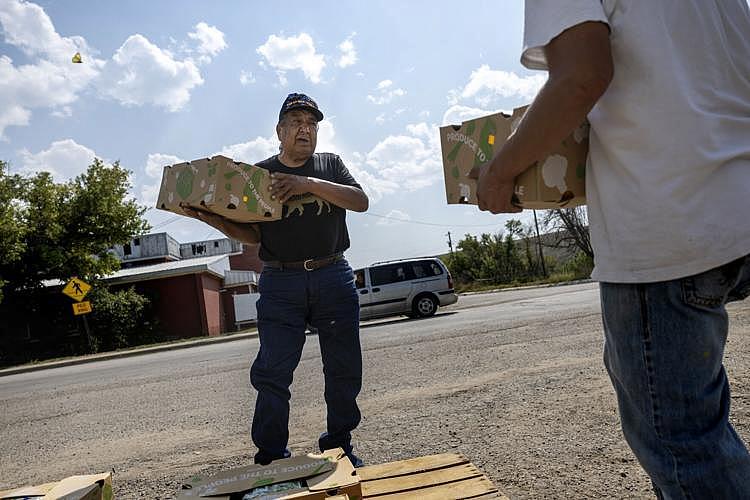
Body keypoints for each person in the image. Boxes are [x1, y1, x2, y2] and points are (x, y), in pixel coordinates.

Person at [475, 1, 750, 497]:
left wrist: (499, 170)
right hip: (737, 197)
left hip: (666, 223)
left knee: (687, 446)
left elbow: (580, 77)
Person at [183, 92, 368, 467]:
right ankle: (270, 456)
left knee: (344, 367)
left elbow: (360, 201)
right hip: (281, 283)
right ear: (280, 130)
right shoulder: (258, 175)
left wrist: (308, 185)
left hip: (333, 274)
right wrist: (211, 219)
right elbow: (253, 236)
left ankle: (338, 443)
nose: (306, 129)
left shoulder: (330, 165)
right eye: (297, 122)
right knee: (272, 370)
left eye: (312, 123)